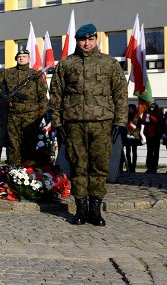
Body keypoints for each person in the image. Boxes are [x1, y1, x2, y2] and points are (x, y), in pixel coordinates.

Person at [49, 24, 127, 227]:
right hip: (74, 124)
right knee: (78, 166)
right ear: (77, 41)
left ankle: (95, 210)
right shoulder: (66, 64)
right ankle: (80, 210)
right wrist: (57, 122)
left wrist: (120, 121)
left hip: (103, 123)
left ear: (96, 40)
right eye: (83, 39)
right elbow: (56, 95)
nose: (87, 43)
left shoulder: (109, 63)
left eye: (91, 39)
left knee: (100, 167)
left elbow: (120, 94)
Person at [0, 48, 49, 165]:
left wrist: (41, 114)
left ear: (29, 59)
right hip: (13, 114)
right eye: (19, 57)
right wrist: (2, 95)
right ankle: (14, 171)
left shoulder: (35, 75)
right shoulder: (8, 73)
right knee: (13, 144)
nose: (21, 58)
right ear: (16, 59)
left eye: (24, 56)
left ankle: (29, 173)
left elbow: (42, 95)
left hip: (31, 115)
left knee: (30, 144)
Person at [141, 103, 163, 173]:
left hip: (156, 134)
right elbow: (143, 122)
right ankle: (149, 167)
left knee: (156, 152)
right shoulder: (146, 111)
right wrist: (145, 117)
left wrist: (151, 116)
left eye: (153, 107)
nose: (151, 108)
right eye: (150, 107)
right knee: (149, 151)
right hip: (148, 134)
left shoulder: (159, 112)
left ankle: (154, 167)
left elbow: (158, 121)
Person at [124, 104, 142, 173]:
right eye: (129, 109)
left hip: (134, 137)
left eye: (131, 109)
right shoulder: (126, 116)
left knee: (134, 152)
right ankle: (128, 166)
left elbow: (139, 127)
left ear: (134, 109)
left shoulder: (137, 117)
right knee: (128, 152)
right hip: (128, 136)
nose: (130, 110)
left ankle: (133, 167)